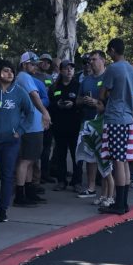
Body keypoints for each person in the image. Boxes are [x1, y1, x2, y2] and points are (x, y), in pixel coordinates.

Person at [0, 59, 34, 222]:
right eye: (6, 71)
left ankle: (3, 209)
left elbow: (30, 112)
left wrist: (20, 131)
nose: (10, 74)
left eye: (11, 71)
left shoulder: (19, 92)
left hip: (11, 142)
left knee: (7, 176)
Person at [98, 38, 133, 214]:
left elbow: (103, 92)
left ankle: (119, 204)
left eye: (109, 52)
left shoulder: (113, 68)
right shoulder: (131, 68)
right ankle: (124, 201)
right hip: (128, 118)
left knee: (117, 161)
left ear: (113, 50)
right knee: (125, 161)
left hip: (115, 117)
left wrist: (102, 98)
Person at [14, 52, 52, 206]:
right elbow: (35, 96)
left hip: (32, 126)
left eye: (36, 64)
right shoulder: (24, 77)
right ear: (24, 64)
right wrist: (45, 112)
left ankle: (28, 191)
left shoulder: (24, 77)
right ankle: (20, 195)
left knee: (30, 160)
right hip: (29, 126)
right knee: (25, 161)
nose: (35, 66)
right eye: (32, 64)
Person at [76, 51, 107, 198]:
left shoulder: (108, 78)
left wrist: (97, 103)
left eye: (94, 59)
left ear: (103, 60)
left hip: (104, 122)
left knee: (105, 156)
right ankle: (91, 187)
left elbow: (113, 101)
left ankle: (108, 191)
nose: (91, 62)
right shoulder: (86, 80)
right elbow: (77, 99)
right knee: (89, 155)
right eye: (89, 60)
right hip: (88, 121)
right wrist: (84, 101)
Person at [49, 60, 82, 190]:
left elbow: (82, 102)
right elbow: (49, 104)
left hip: (74, 125)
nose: (69, 71)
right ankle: (61, 180)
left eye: (71, 69)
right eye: (66, 68)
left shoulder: (78, 86)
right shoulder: (55, 87)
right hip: (59, 126)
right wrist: (57, 105)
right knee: (60, 155)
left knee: (76, 156)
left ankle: (77, 181)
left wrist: (73, 104)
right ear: (61, 71)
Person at [37, 53, 56, 181]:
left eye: (48, 62)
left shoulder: (50, 77)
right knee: (37, 146)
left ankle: (45, 173)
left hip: (49, 114)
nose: (45, 64)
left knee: (47, 146)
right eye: (43, 61)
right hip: (37, 114)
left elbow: (54, 93)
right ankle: (35, 176)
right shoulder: (32, 77)